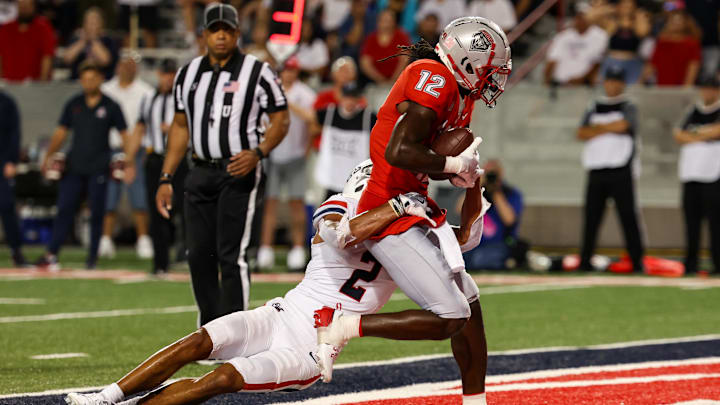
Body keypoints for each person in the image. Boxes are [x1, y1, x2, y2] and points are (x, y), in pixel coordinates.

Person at [64, 161, 488, 405]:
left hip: (310, 347)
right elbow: (344, 233)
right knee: (198, 343)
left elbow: (466, 237)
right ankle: (106, 398)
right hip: (281, 313)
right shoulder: (341, 206)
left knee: (223, 378)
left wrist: (474, 184)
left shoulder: (410, 237)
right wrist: (397, 207)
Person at [319, 17, 512, 405]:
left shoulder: (461, 93)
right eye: (491, 70)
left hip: (414, 203)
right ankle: (341, 327)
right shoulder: (433, 77)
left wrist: (458, 172)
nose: (495, 81)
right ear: (468, 62)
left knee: (469, 302)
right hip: (388, 209)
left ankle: (476, 400)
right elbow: (399, 151)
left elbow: (424, 154)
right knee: (451, 315)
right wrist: (455, 167)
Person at [155, 3, 289, 326]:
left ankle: (238, 333)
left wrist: (258, 152)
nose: (220, 37)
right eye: (214, 30)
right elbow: (179, 126)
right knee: (198, 254)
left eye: (226, 31)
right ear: (204, 35)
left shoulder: (258, 71)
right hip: (199, 170)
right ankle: (211, 330)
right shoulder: (187, 74)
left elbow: (281, 119)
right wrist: (166, 176)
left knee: (232, 256)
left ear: (237, 34)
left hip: (238, 170)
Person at [35, 61, 130, 271]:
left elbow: (125, 135)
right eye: (85, 79)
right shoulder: (74, 103)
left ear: (100, 80)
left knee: (97, 213)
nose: (89, 82)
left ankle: (92, 257)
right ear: (81, 81)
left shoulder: (111, 105)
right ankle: (52, 253)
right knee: (65, 209)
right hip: (74, 167)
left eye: (93, 78)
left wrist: (128, 161)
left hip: (99, 167)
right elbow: (61, 132)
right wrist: (48, 156)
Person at [577, 66, 644, 272]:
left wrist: (597, 129)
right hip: (596, 169)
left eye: (616, 81)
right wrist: (609, 127)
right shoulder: (594, 105)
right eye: (609, 80)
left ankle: (636, 261)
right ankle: (585, 260)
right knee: (591, 217)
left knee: (628, 216)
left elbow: (624, 126)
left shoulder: (628, 105)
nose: (612, 84)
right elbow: (581, 132)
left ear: (622, 83)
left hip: (620, 169)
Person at [124, 59, 188, 276]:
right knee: (156, 210)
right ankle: (160, 263)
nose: (168, 78)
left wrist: (173, 129)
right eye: (165, 74)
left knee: (186, 209)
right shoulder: (148, 98)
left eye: (172, 74)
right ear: (159, 74)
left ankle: (186, 254)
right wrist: (129, 160)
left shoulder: (184, 99)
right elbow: (139, 129)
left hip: (180, 160)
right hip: (154, 159)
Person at [257, 57, 316, 271]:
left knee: (296, 203)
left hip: (296, 154)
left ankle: (297, 248)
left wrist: (286, 102)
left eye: (291, 71)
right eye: (285, 71)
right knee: (270, 203)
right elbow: (261, 120)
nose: (288, 74)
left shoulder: (305, 94)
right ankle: (265, 248)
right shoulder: (270, 91)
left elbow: (312, 120)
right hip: (273, 154)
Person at [99, 51, 155, 260]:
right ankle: (105, 239)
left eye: (133, 64)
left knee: (137, 193)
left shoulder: (145, 92)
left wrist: (130, 154)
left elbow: (143, 126)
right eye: (125, 63)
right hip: (110, 148)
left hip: (137, 149)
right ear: (118, 66)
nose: (129, 68)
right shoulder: (106, 89)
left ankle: (143, 239)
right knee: (109, 194)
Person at [673, 75, 720, 275]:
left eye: (711, 88)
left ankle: (717, 263)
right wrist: (703, 134)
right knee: (691, 223)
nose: (707, 92)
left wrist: (694, 135)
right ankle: (690, 264)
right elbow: (678, 134)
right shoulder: (693, 110)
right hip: (691, 174)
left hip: (713, 175)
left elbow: (716, 132)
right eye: (705, 88)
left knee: (716, 224)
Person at [312, 82, 375, 198]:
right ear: (341, 97)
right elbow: (310, 118)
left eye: (353, 97)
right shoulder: (329, 113)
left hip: (356, 179)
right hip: (331, 175)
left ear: (359, 99)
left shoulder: (368, 117)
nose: (350, 101)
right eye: (347, 97)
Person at [462, 160, 523, 270]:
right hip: (474, 243)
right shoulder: (478, 190)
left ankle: (509, 262)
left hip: (498, 243)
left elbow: (509, 220)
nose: (490, 177)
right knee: (457, 260)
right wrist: (477, 186)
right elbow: (459, 209)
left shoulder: (511, 193)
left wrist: (495, 191)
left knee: (479, 260)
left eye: (493, 174)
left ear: (500, 174)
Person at [544, 2, 608, 86]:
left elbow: (598, 62)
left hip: (586, 84)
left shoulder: (600, 35)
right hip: (560, 83)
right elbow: (552, 60)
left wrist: (582, 79)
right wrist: (547, 82)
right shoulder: (563, 36)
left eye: (583, 16)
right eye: (577, 16)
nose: (580, 19)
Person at [0, 0, 56, 82]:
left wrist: (43, 82)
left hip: (34, 85)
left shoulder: (43, 28)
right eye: (21, 6)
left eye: (26, 6)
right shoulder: (6, 29)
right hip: (9, 84)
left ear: (33, 7)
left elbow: (47, 57)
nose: (23, 9)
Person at [596, 0, 650, 85]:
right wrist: (609, 9)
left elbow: (644, 31)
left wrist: (639, 16)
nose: (627, 9)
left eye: (630, 7)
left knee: (633, 92)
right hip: (612, 62)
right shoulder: (612, 23)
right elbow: (591, 17)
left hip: (633, 63)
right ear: (619, 7)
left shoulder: (638, 23)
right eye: (624, 7)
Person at [643, 9, 701, 86]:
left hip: (681, 88)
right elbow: (652, 64)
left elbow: (694, 65)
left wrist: (687, 86)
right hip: (662, 87)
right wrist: (640, 82)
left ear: (686, 23)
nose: (676, 23)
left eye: (679, 20)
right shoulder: (662, 42)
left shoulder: (692, 43)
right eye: (673, 20)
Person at [0, 89, 25, 267]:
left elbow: (14, 134)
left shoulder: (7, 102)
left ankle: (16, 250)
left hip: (2, 163)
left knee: (7, 205)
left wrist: (11, 161)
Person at [62, 7, 117, 80]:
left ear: (101, 24)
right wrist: (82, 41)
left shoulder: (108, 40)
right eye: (89, 22)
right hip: (77, 80)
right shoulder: (76, 39)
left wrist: (94, 40)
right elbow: (67, 59)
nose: (91, 25)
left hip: (102, 81)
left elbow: (105, 60)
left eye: (95, 22)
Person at [359, 9, 410, 85]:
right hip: (374, 82)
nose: (386, 24)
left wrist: (393, 80)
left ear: (394, 23)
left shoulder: (401, 36)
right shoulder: (371, 39)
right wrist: (379, 79)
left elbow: (404, 59)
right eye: (383, 20)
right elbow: (365, 62)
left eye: (388, 21)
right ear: (377, 22)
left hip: (398, 81)